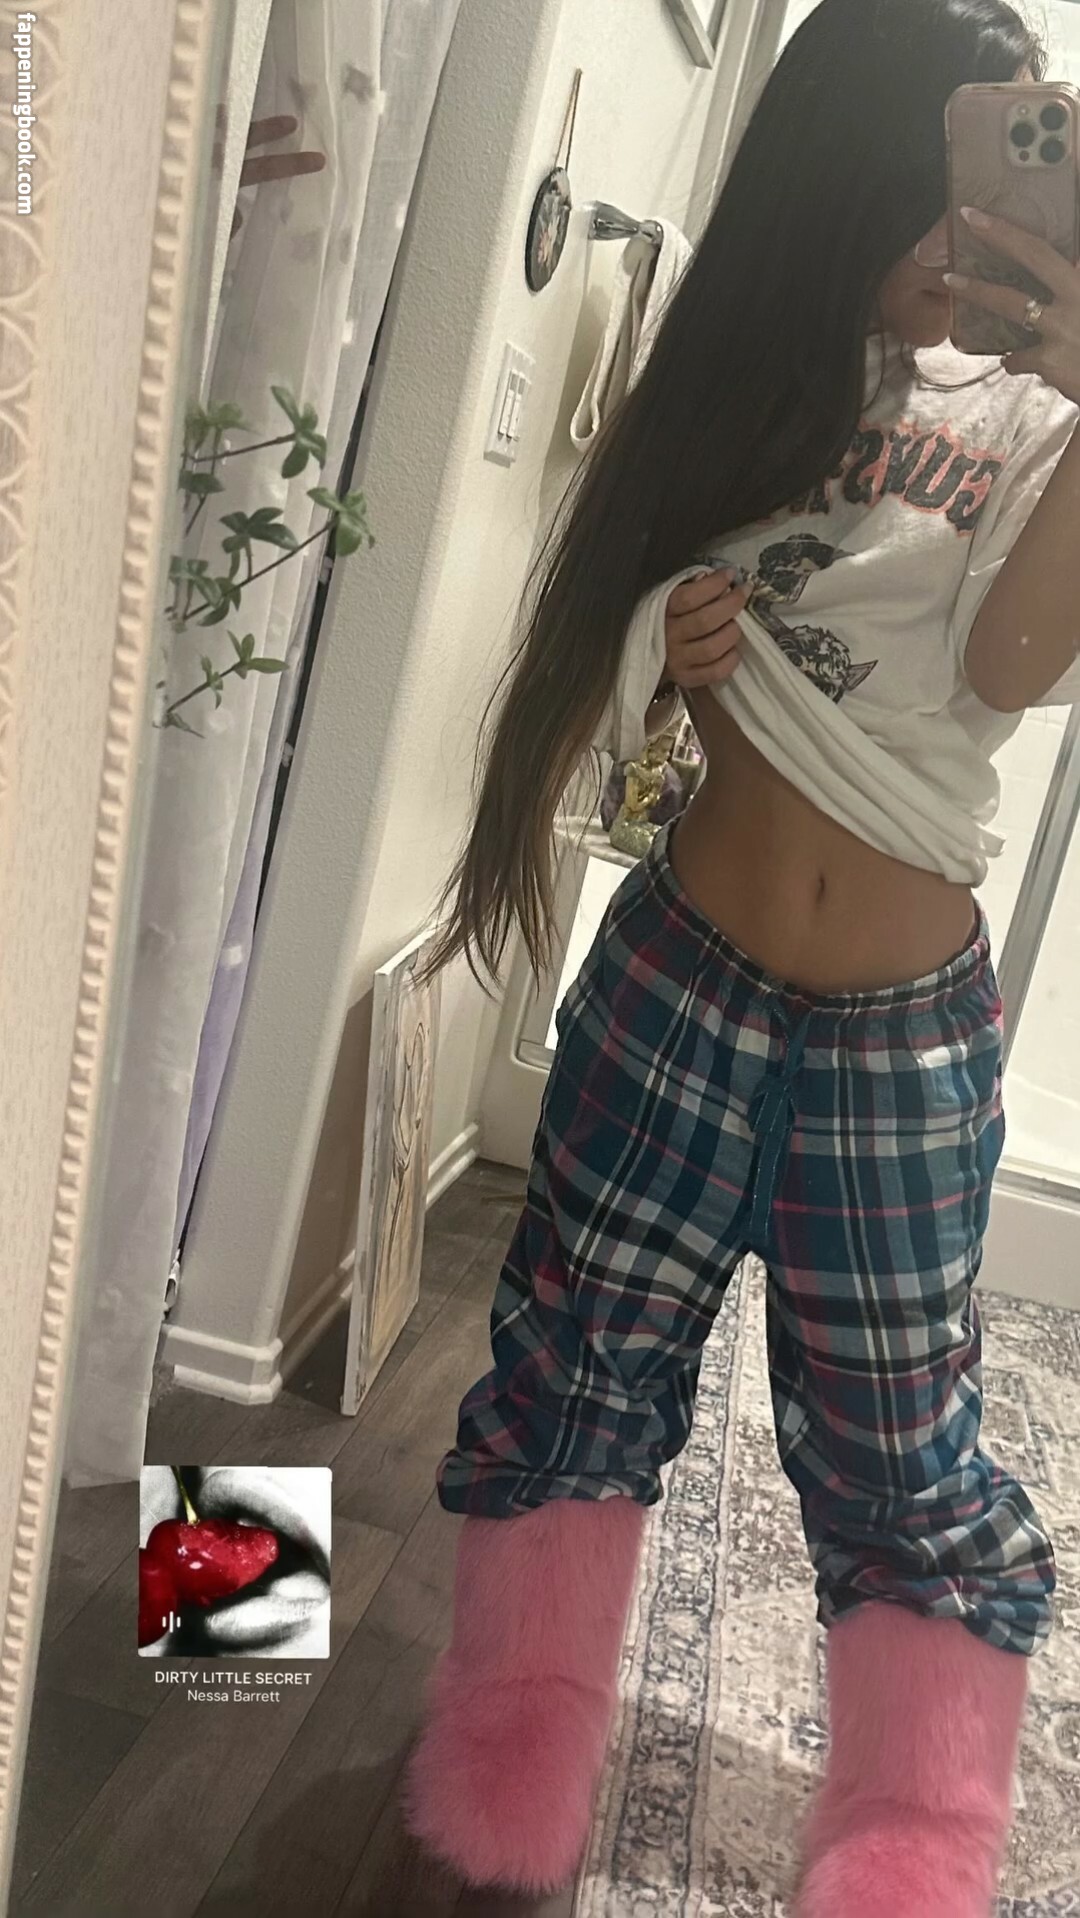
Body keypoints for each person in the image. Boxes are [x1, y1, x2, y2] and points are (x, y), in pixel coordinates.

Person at [405, 1, 1080, 1909]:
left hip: (900, 1043)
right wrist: (662, 651)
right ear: (846, 180)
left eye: (996, 191)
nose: (962, 239)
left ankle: (916, 1832)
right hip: (676, 983)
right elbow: (616, 662)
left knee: (900, 1450)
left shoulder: (1034, 421)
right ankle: (510, 1729)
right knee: (574, 1362)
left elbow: (1013, 665)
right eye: (935, 190)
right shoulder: (745, 382)